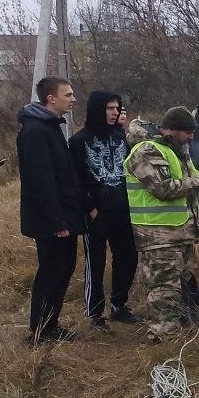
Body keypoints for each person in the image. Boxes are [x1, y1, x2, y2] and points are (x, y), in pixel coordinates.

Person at [124, 107, 199, 341]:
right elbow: (163, 188)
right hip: (157, 235)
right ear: (170, 130)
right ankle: (163, 337)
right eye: (187, 132)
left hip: (180, 231)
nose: (191, 137)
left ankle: (176, 330)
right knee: (163, 288)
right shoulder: (146, 150)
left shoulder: (176, 149)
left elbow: (186, 180)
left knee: (180, 285)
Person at [18, 76, 84, 343]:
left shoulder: (50, 126)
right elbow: (41, 182)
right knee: (51, 272)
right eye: (68, 95)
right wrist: (57, 222)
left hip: (63, 215)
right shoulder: (35, 131)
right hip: (51, 221)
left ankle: (50, 325)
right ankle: (40, 331)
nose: (73, 99)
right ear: (51, 99)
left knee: (63, 268)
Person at [68, 90, 140, 329]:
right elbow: (75, 181)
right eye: (110, 108)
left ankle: (119, 305)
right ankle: (94, 314)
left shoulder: (120, 138)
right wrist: (90, 208)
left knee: (128, 256)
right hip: (96, 212)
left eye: (117, 108)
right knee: (95, 262)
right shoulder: (79, 141)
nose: (115, 112)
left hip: (123, 208)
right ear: (97, 109)